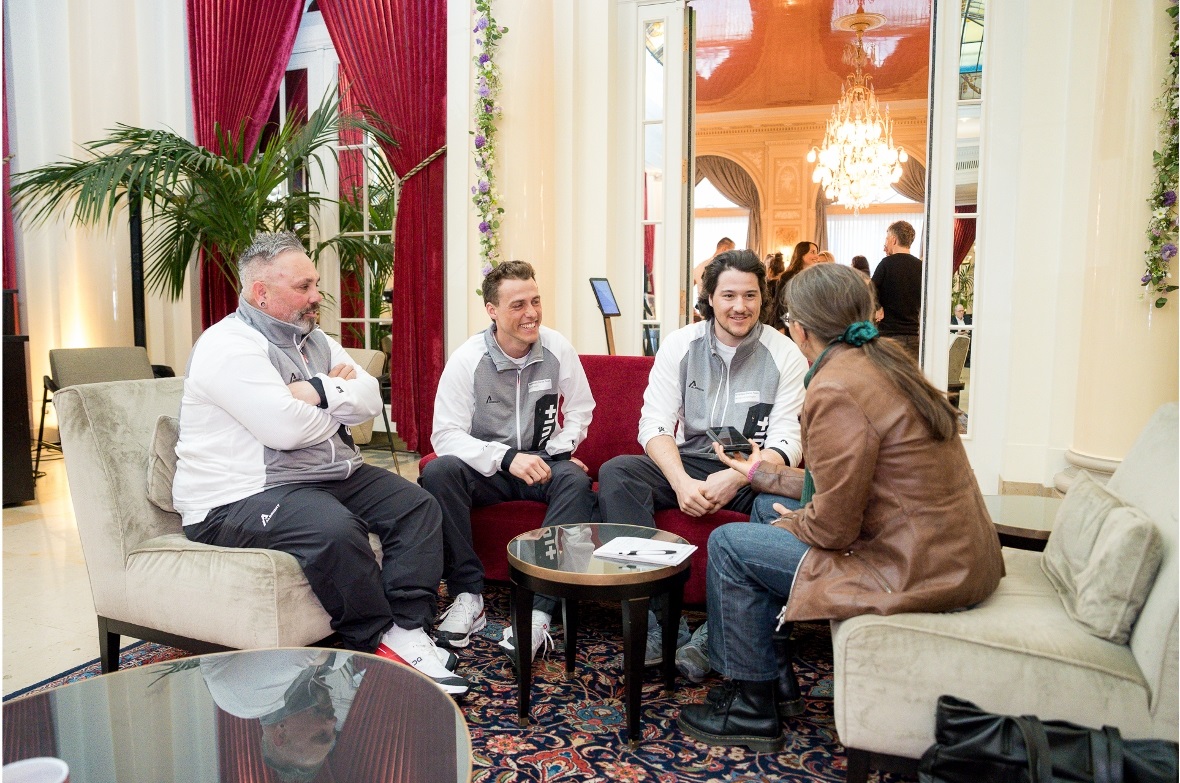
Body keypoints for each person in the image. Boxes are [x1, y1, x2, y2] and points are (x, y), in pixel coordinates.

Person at [676, 264, 1004, 752]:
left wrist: (790, 521)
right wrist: (755, 473)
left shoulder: (836, 387)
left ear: (801, 326)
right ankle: (777, 681)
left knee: (730, 544)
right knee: (765, 512)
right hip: (952, 555)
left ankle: (750, 706)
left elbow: (832, 527)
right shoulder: (883, 361)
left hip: (912, 568)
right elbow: (842, 482)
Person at [172, 232, 469, 696]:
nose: (316, 297)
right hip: (238, 497)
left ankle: (408, 630)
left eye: (315, 284)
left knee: (418, 504)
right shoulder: (226, 346)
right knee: (334, 528)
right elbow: (283, 431)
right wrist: (332, 398)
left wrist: (312, 393)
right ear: (260, 293)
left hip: (322, 476)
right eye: (304, 287)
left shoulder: (316, 340)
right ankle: (374, 643)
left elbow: (370, 398)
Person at [598, 249, 808, 671]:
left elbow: (789, 440)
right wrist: (679, 482)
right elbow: (653, 424)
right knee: (618, 473)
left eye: (750, 295)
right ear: (709, 297)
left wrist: (738, 478)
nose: (740, 307)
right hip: (690, 462)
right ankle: (659, 625)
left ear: (762, 298)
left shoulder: (784, 353)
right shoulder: (680, 345)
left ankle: (719, 634)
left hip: (754, 472)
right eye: (728, 295)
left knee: (778, 504)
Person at [422, 260, 595, 662]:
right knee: (438, 470)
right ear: (492, 310)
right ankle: (468, 595)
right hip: (489, 469)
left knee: (575, 482)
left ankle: (538, 612)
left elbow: (583, 408)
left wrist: (560, 451)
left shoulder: (557, 349)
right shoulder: (468, 360)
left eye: (535, 301)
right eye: (518, 305)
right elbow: (444, 435)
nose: (531, 313)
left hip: (543, 464)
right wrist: (506, 458)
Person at [871, 220, 923, 360]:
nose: (886, 242)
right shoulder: (921, 267)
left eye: (887, 238)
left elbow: (870, 290)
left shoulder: (886, 264)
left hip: (889, 336)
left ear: (893, 240)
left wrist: (877, 306)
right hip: (913, 336)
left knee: (886, 380)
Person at [770, 241, 820, 328]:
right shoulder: (788, 277)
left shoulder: (816, 277)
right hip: (792, 325)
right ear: (802, 254)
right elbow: (780, 305)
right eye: (813, 252)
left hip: (811, 326)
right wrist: (782, 326)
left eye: (817, 252)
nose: (817, 256)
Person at [692, 236, 737, 305]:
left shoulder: (700, 266)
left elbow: (687, 286)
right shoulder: (723, 266)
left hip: (703, 308)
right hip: (717, 306)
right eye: (732, 250)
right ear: (724, 249)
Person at [761, 252, 786, 328]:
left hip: (767, 324)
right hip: (783, 325)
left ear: (769, 270)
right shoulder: (786, 286)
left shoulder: (765, 287)